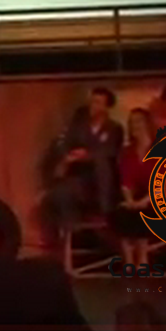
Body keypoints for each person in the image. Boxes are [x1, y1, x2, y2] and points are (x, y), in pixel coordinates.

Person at [42, 87, 124, 235]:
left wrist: (86, 155)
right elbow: (66, 146)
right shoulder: (78, 127)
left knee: (102, 163)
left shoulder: (114, 128)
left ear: (106, 107)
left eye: (98, 102)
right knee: (59, 193)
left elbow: (110, 151)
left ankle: (103, 211)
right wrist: (69, 157)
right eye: (92, 102)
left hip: (102, 181)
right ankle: (70, 230)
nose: (93, 106)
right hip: (79, 178)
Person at [110, 108, 157, 267]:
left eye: (137, 121)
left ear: (147, 124)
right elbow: (126, 181)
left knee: (143, 213)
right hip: (136, 195)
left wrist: (143, 201)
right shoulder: (128, 152)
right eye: (131, 123)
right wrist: (130, 200)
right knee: (123, 212)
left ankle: (142, 259)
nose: (134, 126)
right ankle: (129, 260)